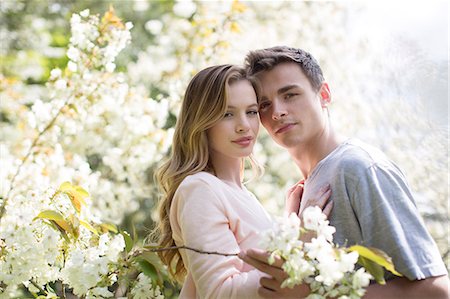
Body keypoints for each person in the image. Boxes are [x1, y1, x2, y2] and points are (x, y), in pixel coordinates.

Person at [239, 46, 449, 299]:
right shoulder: (303, 192)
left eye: (290, 95)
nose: (277, 111)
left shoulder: (358, 168)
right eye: (264, 104)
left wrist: (314, 295)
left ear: (324, 94)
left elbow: (435, 291)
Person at [154, 64, 331, 298]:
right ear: (202, 121)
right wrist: (298, 246)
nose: (244, 126)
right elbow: (220, 292)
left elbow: (254, 259)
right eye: (227, 114)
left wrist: (289, 224)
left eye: (251, 111)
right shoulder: (200, 189)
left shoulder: (241, 194)